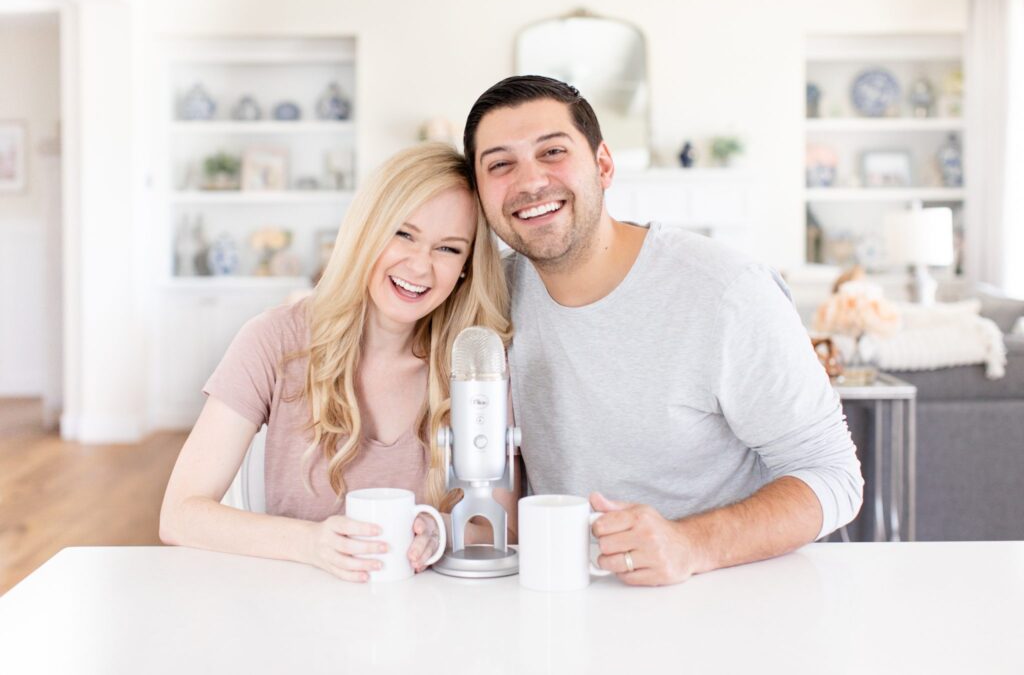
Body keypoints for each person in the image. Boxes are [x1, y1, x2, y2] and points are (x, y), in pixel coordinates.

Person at [463, 76, 864, 586]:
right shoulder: (490, 297)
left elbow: (834, 476)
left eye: (553, 152)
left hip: (723, 591)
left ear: (604, 165)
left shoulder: (727, 291)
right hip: (566, 591)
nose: (530, 181)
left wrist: (691, 544)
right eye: (500, 164)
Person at [160, 143, 511, 582]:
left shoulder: (474, 365)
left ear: (465, 269)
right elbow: (180, 515)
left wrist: (441, 532)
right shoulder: (274, 340)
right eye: (403, 234)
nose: (420, 266)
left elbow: (503, 529)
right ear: (367, 231)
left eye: (448, 249)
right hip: (298, 609)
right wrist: (310, 543)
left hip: (432, 613)